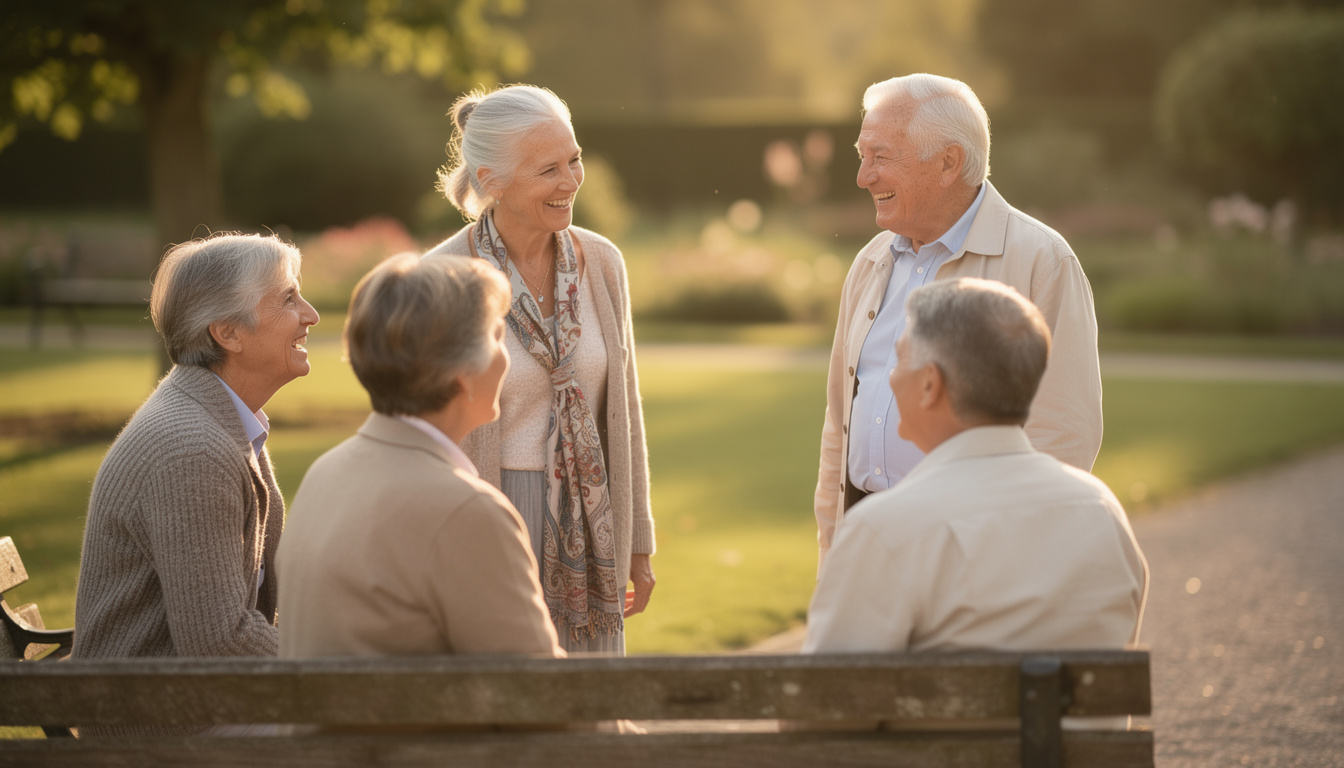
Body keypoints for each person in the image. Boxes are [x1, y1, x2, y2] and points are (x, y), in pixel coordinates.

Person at [815, 73, 1103, 570]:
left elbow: (1065, 434)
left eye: (880, 157)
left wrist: (995, 561)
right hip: (865, 540)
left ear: (947, 162)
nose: (863, 177)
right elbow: (839, 423)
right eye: (862, 156)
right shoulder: (870, 262)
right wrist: (832, 547)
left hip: (971, 550)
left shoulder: (1042, 261)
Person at [424, 84, 654, 654]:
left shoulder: (602, 262)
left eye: (574, 160)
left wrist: (638, 538)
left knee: (595, 711)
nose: (571, 181)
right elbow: (424, 435)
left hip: (595, 518)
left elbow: (625, 407)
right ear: (491, 181)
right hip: (489, 516)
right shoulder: (442, 277)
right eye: (548, 169)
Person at [804, 277, 1147, 659]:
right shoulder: (1103, 513)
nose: (890, 377)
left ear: (931, 384)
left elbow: (822, 708)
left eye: (900, 359)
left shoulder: (884, 530)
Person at [71, 233, 319, 736]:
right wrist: (342, 656)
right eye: (288, 299)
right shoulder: (192, 448)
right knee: (367, 729)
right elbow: (221, 643)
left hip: (186, 706)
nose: (310, 314)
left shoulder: (220, 418)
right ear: (228, 332)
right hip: (153, 730)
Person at [276, 254, 562, 665]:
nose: (507, 359)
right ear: (463, 371)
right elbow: (547, 699)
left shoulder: (325, 474)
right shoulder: (466, 511)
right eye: (498, 336)